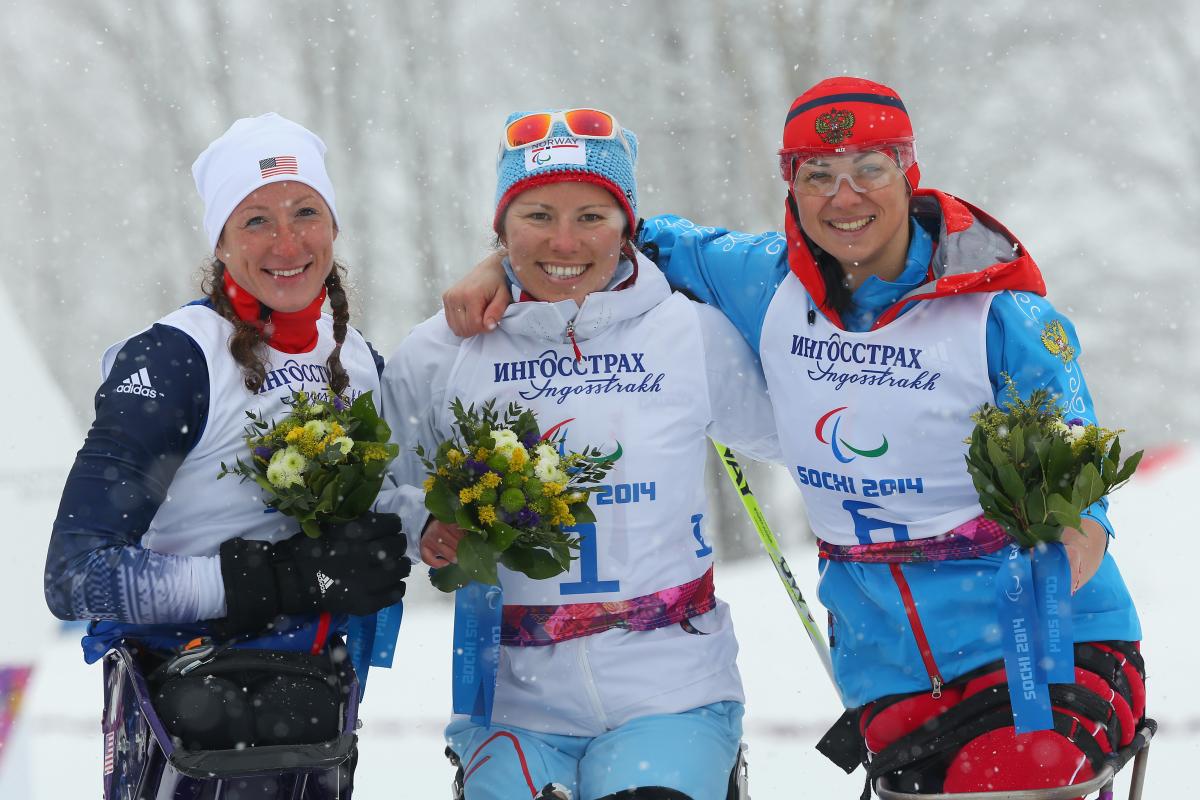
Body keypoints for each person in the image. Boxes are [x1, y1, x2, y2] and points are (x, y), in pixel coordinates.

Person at [440, 80, 1146, 796]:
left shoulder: (998, 309)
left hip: (1039, 653)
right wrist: (500, 262)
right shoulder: (763, 281)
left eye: (869, 167)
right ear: (791, 184)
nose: (844, 197)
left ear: (909, 170)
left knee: (1004, 783)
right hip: (890, 667)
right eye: (818, 174)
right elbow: (608, 235)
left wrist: (1070, 540)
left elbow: (1075, 474)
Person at [382, 108, 779, 800]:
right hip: (514, 704)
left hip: (671, 690)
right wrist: (424, 526)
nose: (564, 241)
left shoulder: (687, 332)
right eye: (537, 214)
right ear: (499, 229)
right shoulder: (441, 353)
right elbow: (379, 494)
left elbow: (806, 443)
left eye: (592, 216)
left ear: (629, 226)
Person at [44, 113, 410, 798]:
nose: (287, 242)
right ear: (219, 242)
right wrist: (276, 580)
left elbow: (388, 529)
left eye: (306, 212)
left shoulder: (358, 361)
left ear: (335, 227)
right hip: (189, 723)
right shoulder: (178, 356)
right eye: (255, 221)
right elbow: (75, 576)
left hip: (312, 719)